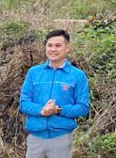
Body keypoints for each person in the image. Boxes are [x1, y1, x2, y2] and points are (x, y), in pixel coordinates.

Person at [19, 29, 91, 158]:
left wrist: (58, 110)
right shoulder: (34, 72)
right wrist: (42, 111)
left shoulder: (78, 75)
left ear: (67, 48)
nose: (53, 49)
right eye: (50, 45)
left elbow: (83, 108)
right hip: (35, 137)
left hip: (61, 138)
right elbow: (24, 103)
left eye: (58, 46)